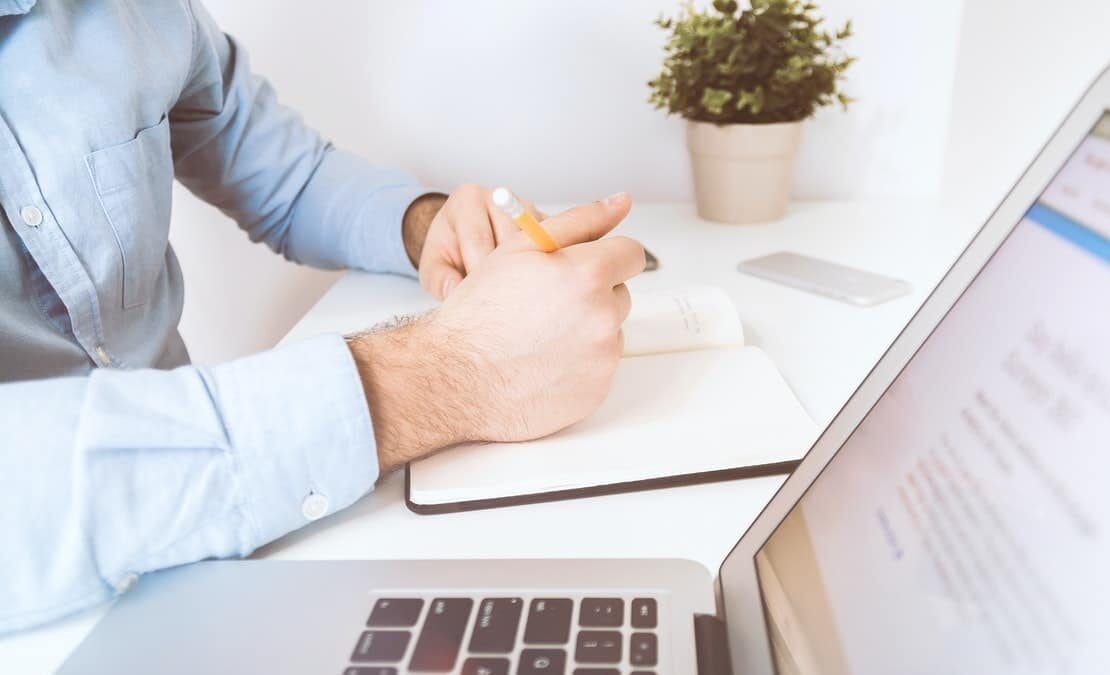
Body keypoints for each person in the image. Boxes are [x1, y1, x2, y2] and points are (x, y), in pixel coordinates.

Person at [0, 0, 645, 633]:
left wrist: (428, 227)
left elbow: (291, 179)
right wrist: (455, 369)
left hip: (222, 557)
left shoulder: (142, 13)